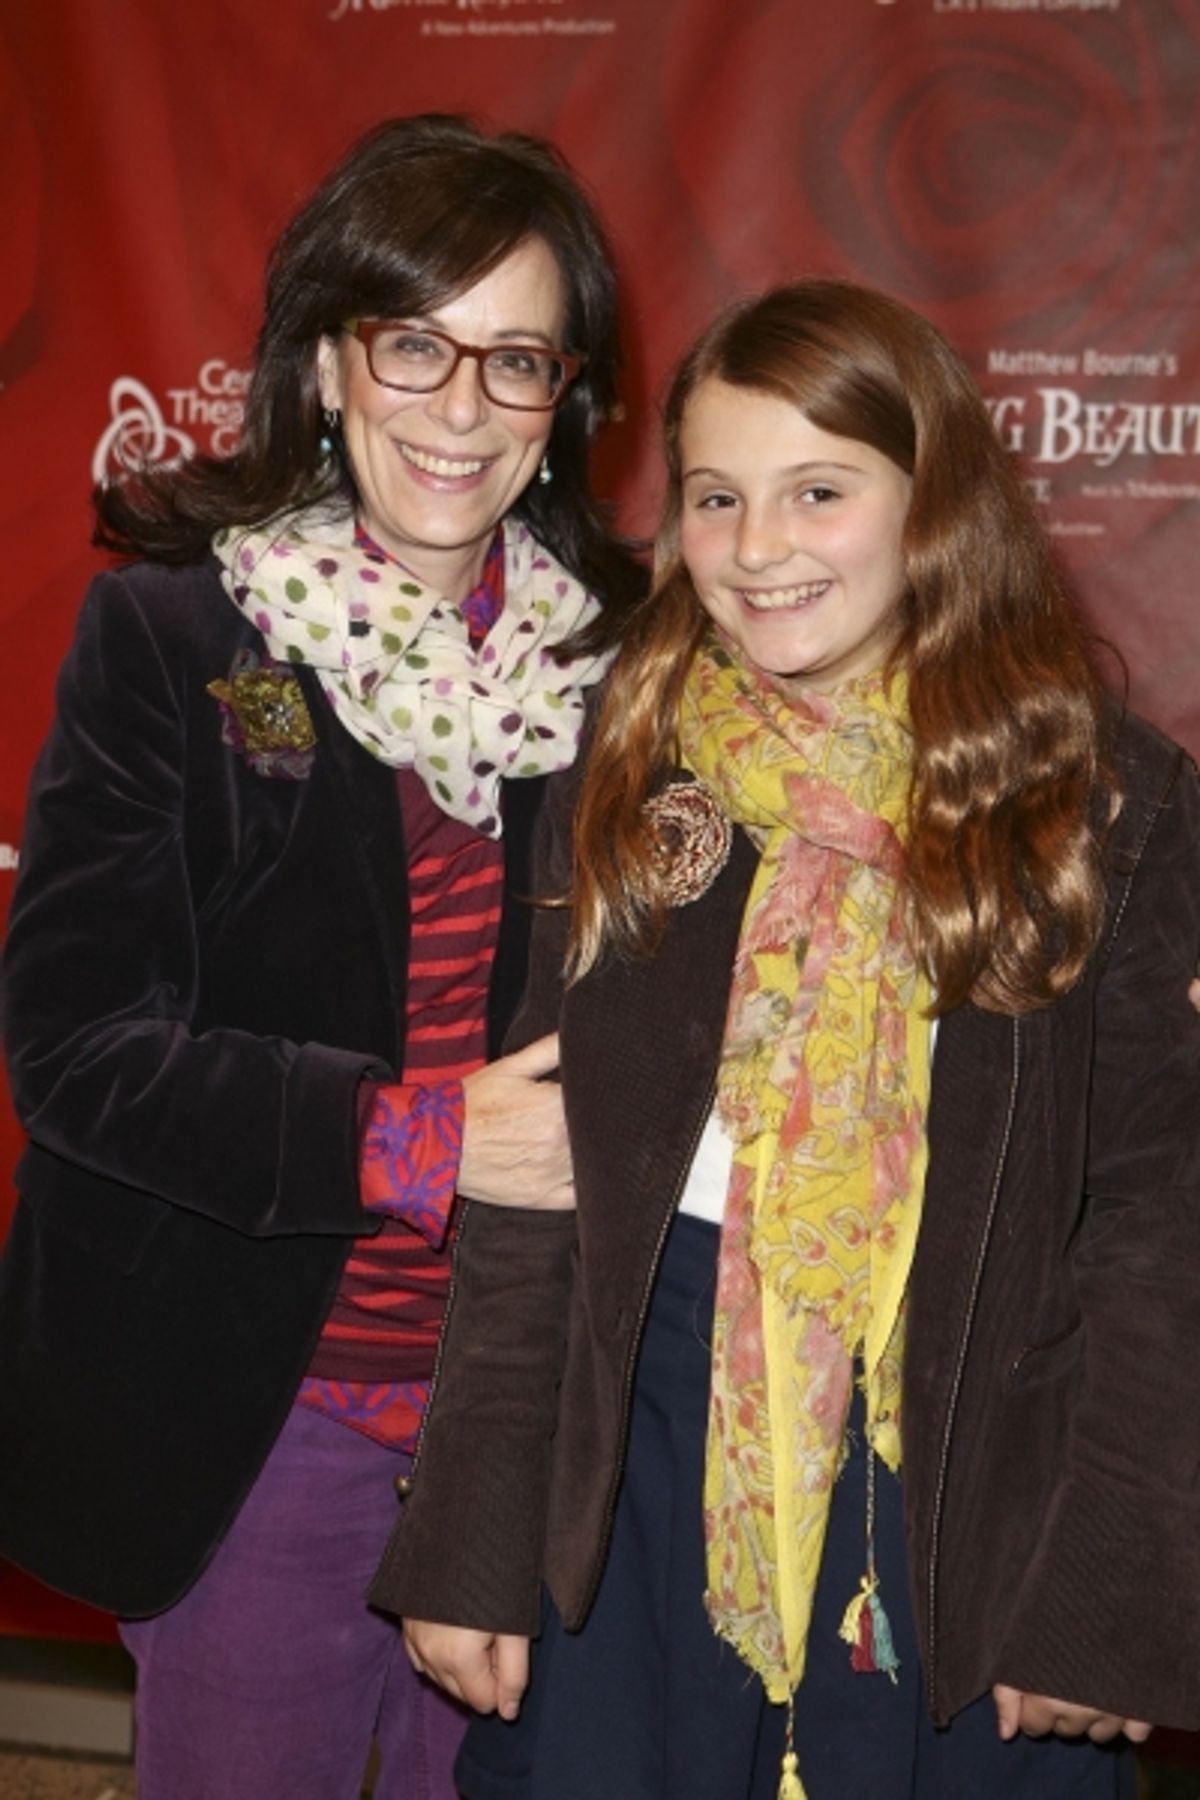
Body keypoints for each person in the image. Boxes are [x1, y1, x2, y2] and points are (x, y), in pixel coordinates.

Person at [372, 279, 1200, 1800]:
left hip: (964, 1468)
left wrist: (1109, 1594)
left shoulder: (1101, 805)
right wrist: (478, 1536)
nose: (759, 549)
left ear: (931, 501)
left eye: (818, 491)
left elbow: (1153, 1234)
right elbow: (533, 1189)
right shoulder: (633, 753)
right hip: (641, 1440)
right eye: (715, 497)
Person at [0, 113, 642, 1800]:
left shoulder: (631, 674)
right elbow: (72, 1049)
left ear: (563, 400)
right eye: (414, 343)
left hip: (528, 1430)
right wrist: (418, 1139)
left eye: (515, 361)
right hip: (259, 1416)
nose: (457, 407)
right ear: (330, 360)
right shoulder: (182, 637)